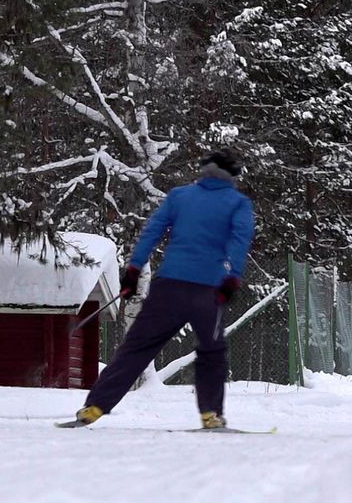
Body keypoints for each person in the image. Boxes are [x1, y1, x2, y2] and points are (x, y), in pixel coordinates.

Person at [75, 147, 254, 429]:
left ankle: (94, 407)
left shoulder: (180, 196)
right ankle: (210, 414)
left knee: (137, 347)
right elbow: (239, 241)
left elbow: (152, 231)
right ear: (233, 174)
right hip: (208, 291)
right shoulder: (238, 203)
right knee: (212, 351)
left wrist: (134, 270)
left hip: (168, 288)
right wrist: (233, 278)